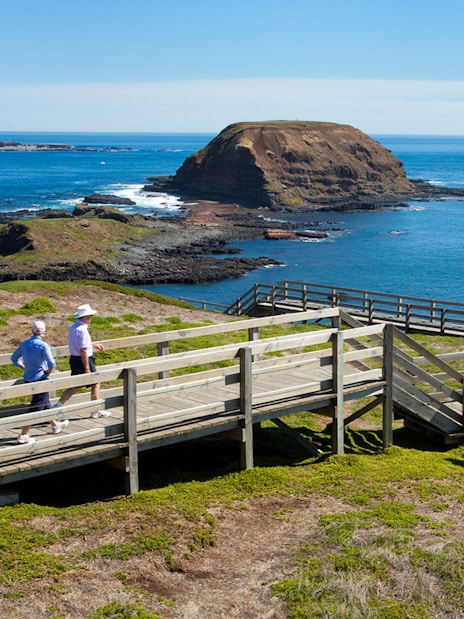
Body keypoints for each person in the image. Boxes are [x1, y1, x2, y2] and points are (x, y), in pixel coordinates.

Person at [11, 320, 69, 444]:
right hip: (40, 379)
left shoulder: (25, 344)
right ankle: (23, 434)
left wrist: (23, 367)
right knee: (36, 407)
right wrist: (48, 372)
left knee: (45, 403)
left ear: (32, 330)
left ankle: (55, 425)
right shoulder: (43, 345)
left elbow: (14, 358)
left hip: (28, 378)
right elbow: (52, 363)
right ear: (44, 331)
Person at [53, 303, 111, 418]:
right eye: (89, 315)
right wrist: (87, 368)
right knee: (96, 382)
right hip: (84, 360)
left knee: (76, 385)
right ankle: (95, 410)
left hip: (74, 359)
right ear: (85, 316)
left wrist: (93, 345)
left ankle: (58, 406)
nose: (90, 318)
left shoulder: (74, 327)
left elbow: (79, 344)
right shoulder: (83, 330)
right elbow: (83, 350)